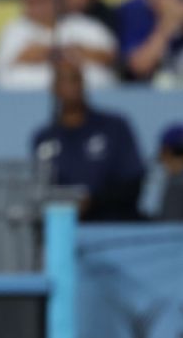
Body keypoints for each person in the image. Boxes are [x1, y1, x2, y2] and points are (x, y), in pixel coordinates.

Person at [31, 60, 146, 221]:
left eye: (75, 79)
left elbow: (133, 181)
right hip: (65, 228)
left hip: (113, 225)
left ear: (84, 84)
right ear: (53, 88)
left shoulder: (114, 127)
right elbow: (44, 189)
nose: (71, 87)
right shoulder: (44, 138)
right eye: (64, 81)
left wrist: (93, 201)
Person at [0, 0, 119, 90]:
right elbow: (3, 69)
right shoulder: (14, 30)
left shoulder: (86, 25)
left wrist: (46, 53)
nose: (38, 6)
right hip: (24, 100)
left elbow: (109, 57)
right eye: (31, 1)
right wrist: (68, 53)